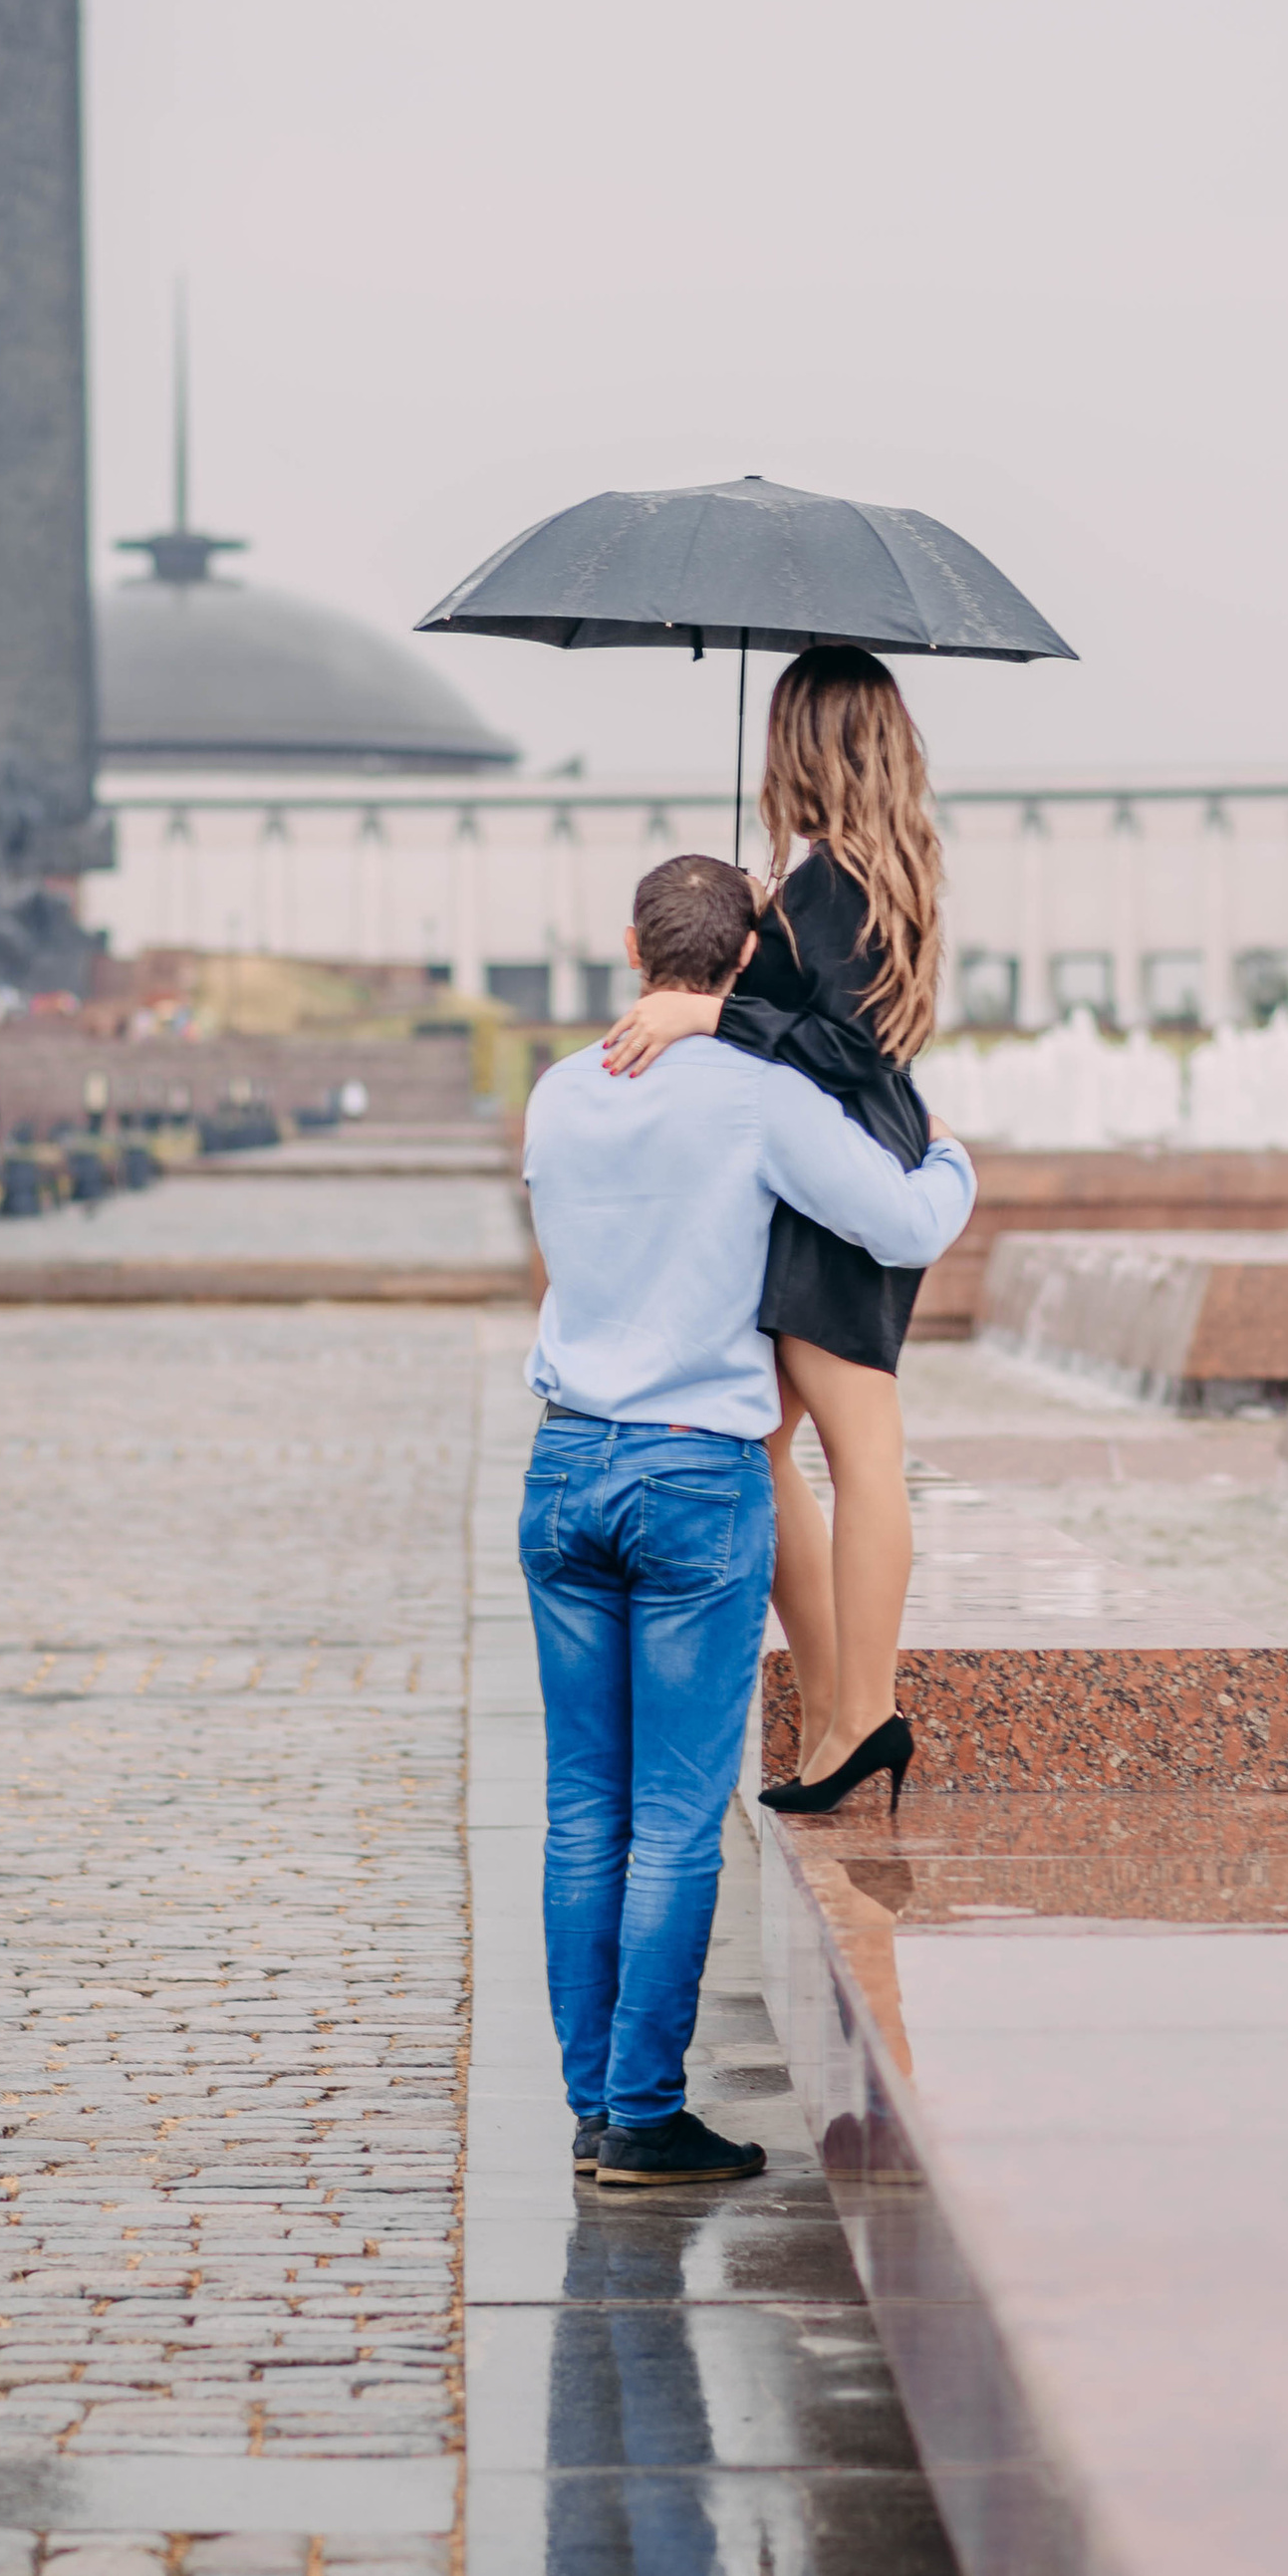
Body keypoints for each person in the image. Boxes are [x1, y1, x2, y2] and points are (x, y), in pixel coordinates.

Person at [522, 847, 973, 2190]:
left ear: (630, 948)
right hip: (693, 1481)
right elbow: (896, 1223)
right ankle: (646, 2115)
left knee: (577, 1813)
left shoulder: (557, 1093)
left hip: (562, 1470)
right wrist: (950, 1158)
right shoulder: (758, 1099)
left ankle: (597, 2104)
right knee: (671, 1817)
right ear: (749, 960)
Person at [599, 645, 944, 1819]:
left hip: (836, 1180)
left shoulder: (834, 882)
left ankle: (861, 1709)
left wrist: (714, 1005)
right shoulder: (852, 873)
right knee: (777, 1440)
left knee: (854, 1450)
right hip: (840, 1166)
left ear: (803, 742)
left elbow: (846, 1048)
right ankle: (847, 1702)